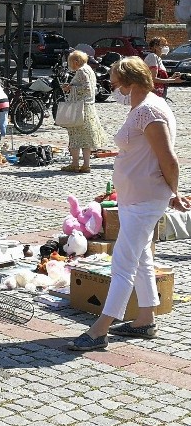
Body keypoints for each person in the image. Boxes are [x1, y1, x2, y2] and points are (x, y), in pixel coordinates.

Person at [68, 56, 189, 351]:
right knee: (141, 257)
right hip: (137, 195)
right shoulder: (144, 107)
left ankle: (99, 330)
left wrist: (175, 191)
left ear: (130, 82)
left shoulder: (149, 110)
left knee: (122, 261)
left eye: (115, 82)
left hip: (145, 198)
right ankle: (145, 319)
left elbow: (168, 158)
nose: (112, 87)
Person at [60, 50, 109, 173]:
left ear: (76, 62)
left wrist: (70, 87)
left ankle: (75, 164)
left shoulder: (81, 71)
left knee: (75, 136)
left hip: (80, 108)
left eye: (70, 62)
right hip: (88, 107)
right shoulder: (88, 69)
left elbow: (86, 88)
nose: (69, 64)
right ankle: (86, 164)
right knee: (86, 138)